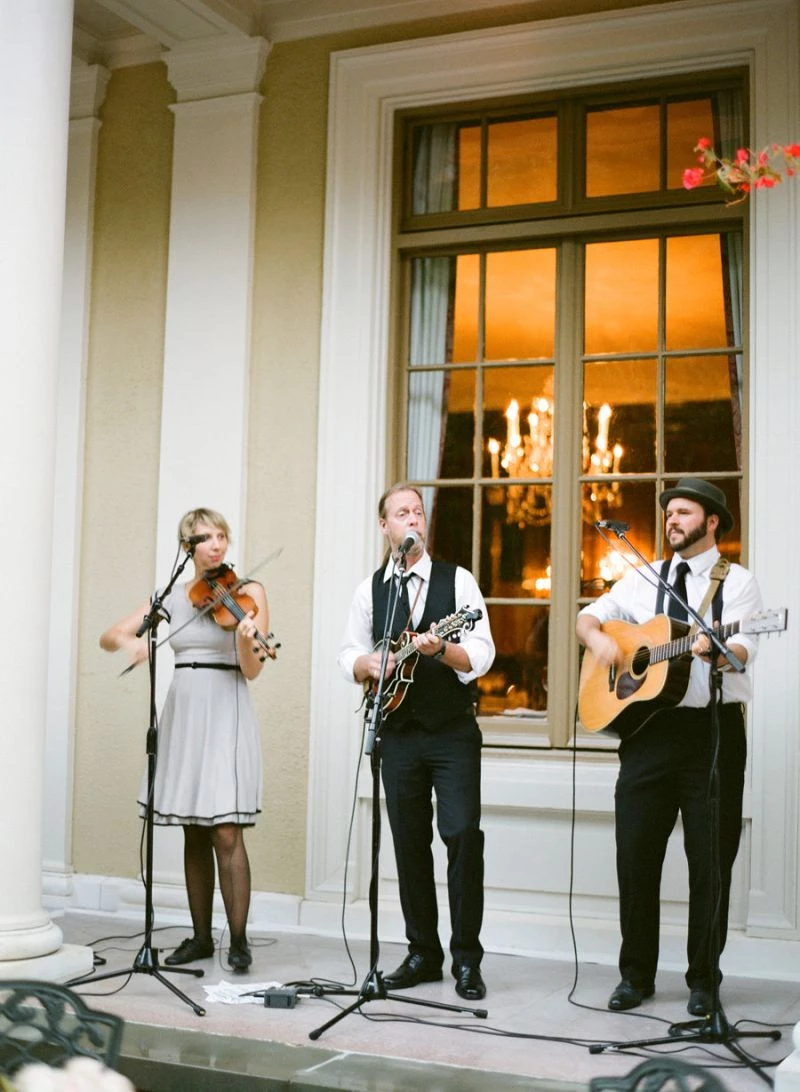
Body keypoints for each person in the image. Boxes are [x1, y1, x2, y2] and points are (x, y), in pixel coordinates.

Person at [576, 478, 763, 1016]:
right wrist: (599, 640)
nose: (672, 520)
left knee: (710, 862)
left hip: (712, 735)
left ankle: (704, 979)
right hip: (647, 734)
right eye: (668, 512)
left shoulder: (738, 583)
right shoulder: (644, 577)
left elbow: (742, 651)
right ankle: (634, 975)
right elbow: (589, 617)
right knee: (635, 857)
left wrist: (714, 649)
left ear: (711, 522)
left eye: (683, 512)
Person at [338, 483, 495, 1001]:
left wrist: (442, 649)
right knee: (408, 843)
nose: (412, 520)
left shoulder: (458, 580)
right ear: (384, 526)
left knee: (462, 836)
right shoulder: (371, 590)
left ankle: (466, 959)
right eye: (402, 513)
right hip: (397, 732)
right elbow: (348, 652)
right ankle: (423, 953)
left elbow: (482, 653)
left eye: (418, 512)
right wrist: (367, 664)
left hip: (452, 732)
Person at [100, 508, 270, 973]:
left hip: (226, 708)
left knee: (225, 828)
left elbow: (253, 669)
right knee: (193, 828)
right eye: (205, 538)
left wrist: (245, 638)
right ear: (186, 547)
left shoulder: (248, 592)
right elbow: (109, 636)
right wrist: (132, 644)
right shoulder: (173, 596)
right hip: (184, 711)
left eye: (221, 536)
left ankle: (239, 940)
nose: (216, 545)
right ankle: (200, 938)